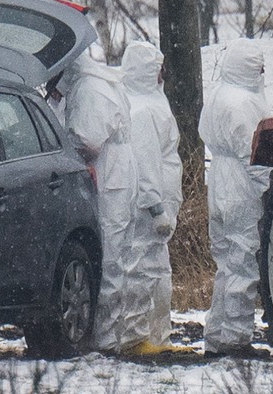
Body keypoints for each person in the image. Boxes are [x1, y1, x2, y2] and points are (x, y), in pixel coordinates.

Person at [57, 50, 138, 354]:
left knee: (107, 257)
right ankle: (109, 334)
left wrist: (64, 143)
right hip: (121, 172)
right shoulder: (107, 83)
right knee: (115, 257)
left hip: (109, 175)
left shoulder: (89, 88)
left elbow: (88, 141)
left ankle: (103, 338)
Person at [198, 38, 271, 358]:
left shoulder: (218, 96)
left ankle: (217, 335)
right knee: (242, 263)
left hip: (218, 181)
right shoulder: (244, 102)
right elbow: (253, 154)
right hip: (241, 185)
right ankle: (236, 339)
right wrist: (268, 189)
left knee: (226, 264)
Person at [119, 41, 185, 354]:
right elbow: (145, 163)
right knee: (140, 270)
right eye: (157, 69)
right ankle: (134, 337)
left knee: (156, 272)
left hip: (156, 206)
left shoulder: (145, 102)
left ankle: (157, 337)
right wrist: (156, 206)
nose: (163, 74)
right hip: (149, 209)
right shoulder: (143, 109)